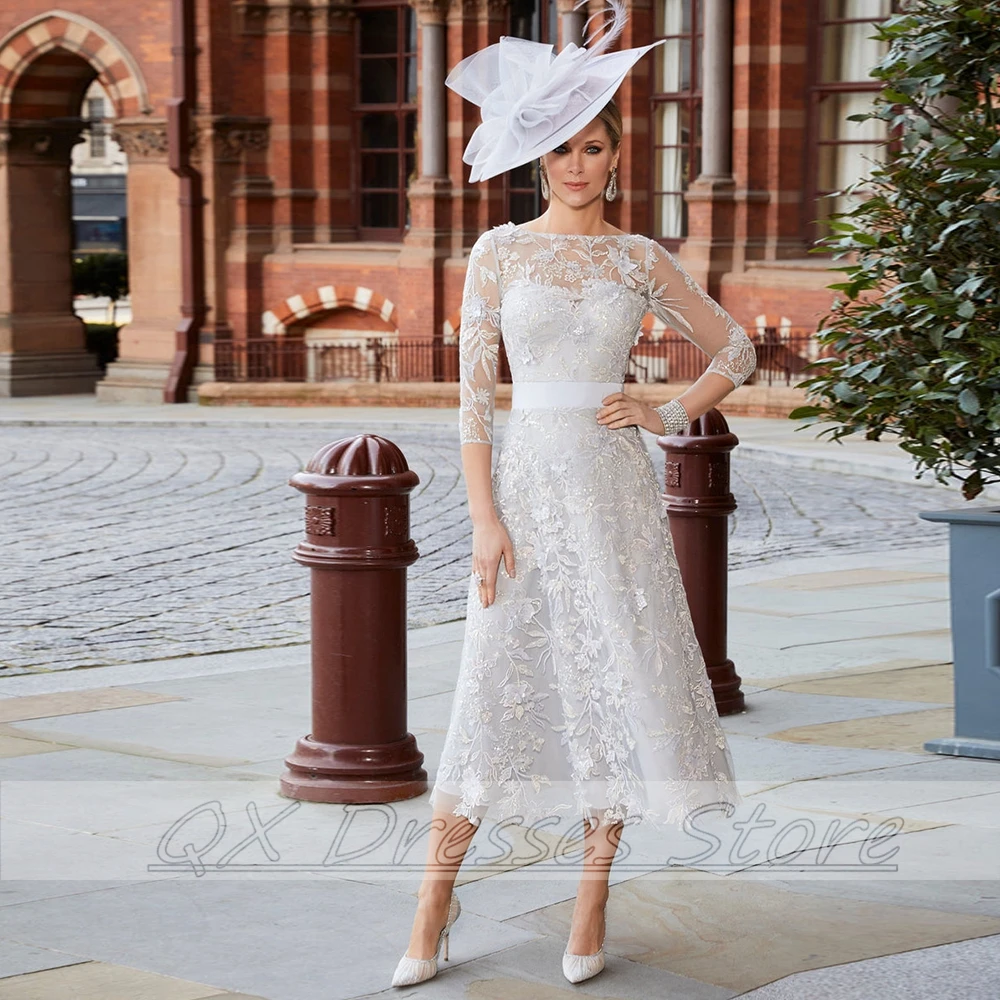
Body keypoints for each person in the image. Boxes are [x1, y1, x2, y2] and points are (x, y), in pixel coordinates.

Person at [392, 1, 755, 988]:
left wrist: (668, 409)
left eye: (596, 146)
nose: (581, 163)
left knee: (608, 688)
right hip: (522, 487)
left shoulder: (640, 259)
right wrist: (483, 520)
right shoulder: (498, 253)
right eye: (564, 148)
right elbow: (470, 403)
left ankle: (592, 895)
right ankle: (435, 896)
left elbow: (737, 347)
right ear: (540, 157)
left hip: (612, 495)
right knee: (487, 692)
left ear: (614, 156)